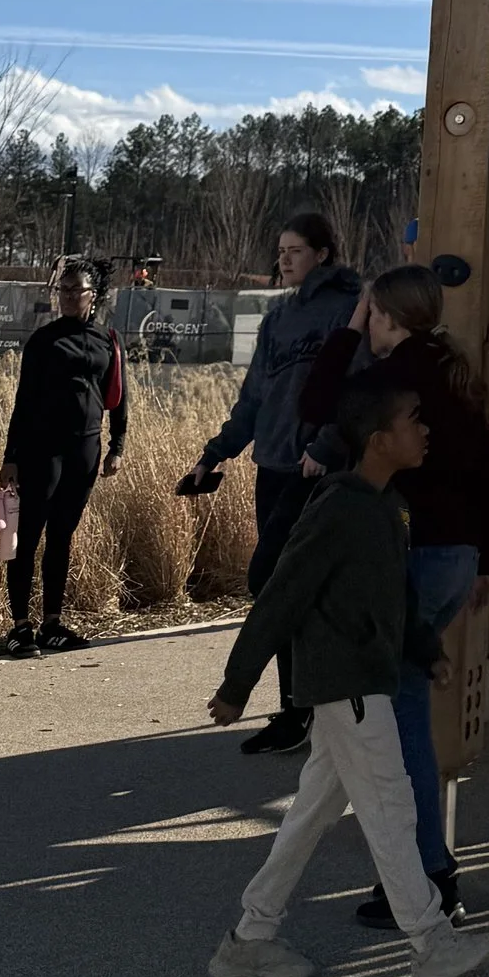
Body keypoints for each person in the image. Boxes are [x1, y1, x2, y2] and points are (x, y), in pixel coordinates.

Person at [204, 370, 489, 977]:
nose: (425, 430)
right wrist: (237, 685)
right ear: (376, 440)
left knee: (311, 813)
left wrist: (425, 651)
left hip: (364, 679)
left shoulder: (384, 506)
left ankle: (251, 938)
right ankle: (431, 941)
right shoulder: (340, 509)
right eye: (413, 420)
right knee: (391, 808)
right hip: (348, 686)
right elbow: (281, 594)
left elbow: (394, 596)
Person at [299, 265, 489, 921]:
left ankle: (424, 876)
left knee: (395, 724)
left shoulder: (394, 378)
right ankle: (424, 871)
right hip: (457, 555)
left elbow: (315, 402)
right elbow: (488, 471)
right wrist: (487, 562)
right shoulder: (454, 372)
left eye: (371, 311)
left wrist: (347, 332)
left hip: (409, 555)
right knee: (404, 703)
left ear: (385, 314)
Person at [179, 209, 361, 757]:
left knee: (276, 584)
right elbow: (254, 398)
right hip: (273, 465)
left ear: (322, 254)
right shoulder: (277, 319)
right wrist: (215, 454)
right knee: (281, 588)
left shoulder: (347, 310)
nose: (282, 259)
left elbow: (352, 388)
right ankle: (304, 707)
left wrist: (325, 447)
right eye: (279, 251)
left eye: (295, 251)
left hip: (318, 471)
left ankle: (304, 707)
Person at [0, 259, 127, 656]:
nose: (69, 297)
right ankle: (20, 625)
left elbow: (119, 397)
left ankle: (52, 623)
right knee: (27, 536)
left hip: (85, 450)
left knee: (62, 537)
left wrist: (117, 446)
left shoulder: (108, 339)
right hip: (43, 449)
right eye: (63, 290)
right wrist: (11, 457)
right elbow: (23, 402)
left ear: (94, 295)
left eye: (77, 290)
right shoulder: (44, 341)